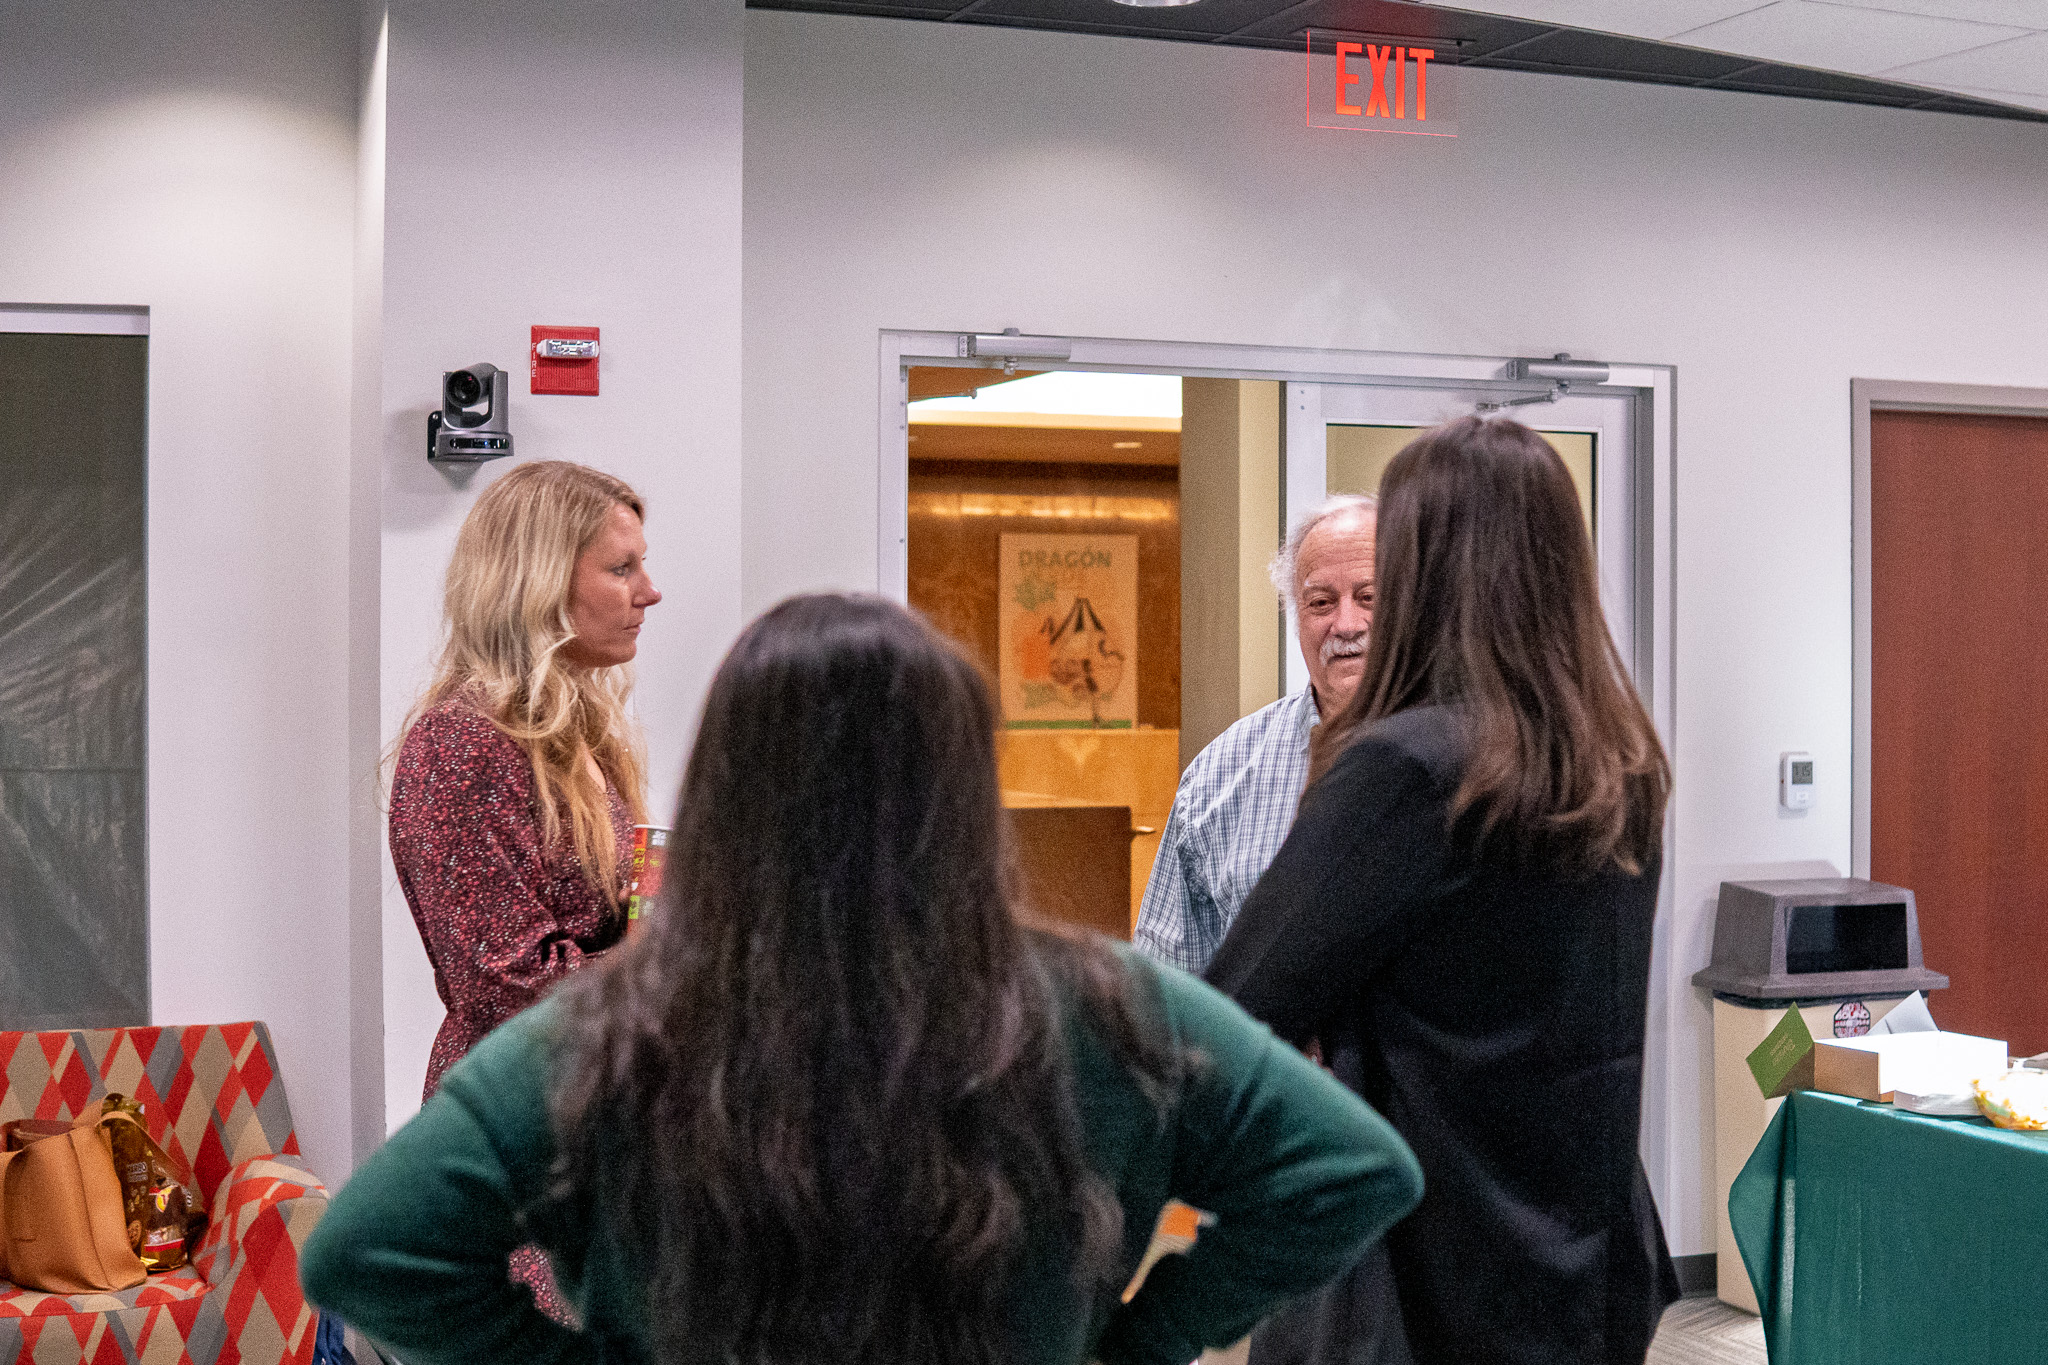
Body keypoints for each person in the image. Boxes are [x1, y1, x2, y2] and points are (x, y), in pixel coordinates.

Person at [305, 594, 1424, 1365]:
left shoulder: (611, 1030)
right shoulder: (1103, 1003)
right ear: (961, 788)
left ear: (730, 790)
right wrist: (1141, 1339)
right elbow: (1350, 1168)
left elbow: (366, 1249)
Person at [1206, 417, 1678, 1365]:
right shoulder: (1620, 764)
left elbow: (1237, 1005)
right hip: (1581, 1262)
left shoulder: (1411, 769)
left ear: (1425, 571)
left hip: (1421, 1284)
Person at [390, 459, 663, 1100]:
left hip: (583, 1097)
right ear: (536, 582)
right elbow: (506, 991)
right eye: (621, 569)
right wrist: (667, 960)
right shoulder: (463, 741)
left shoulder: (577, 738)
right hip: (517, 1118)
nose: (648, 592)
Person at [1135, 494, 1375, 973]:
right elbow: (1166, 992)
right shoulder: (1219, 775)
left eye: (1369, 597)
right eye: (1321, 602)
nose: (1346, 624)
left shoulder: (1480, 764)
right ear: (1295, 615)